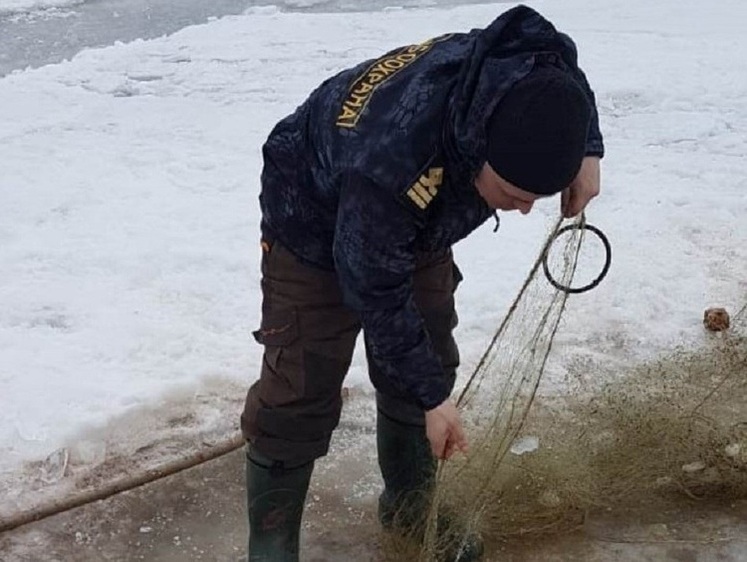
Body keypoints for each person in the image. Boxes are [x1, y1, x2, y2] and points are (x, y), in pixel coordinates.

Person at [240, 4, 604, 561]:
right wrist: (434, 399)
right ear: (479, 149)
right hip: (312, 216)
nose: (526, 210)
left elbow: (555, 54)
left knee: (427, 342)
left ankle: (408, 506)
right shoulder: (389, 162)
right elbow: (376, 286)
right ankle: (272, 541)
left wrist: (586, 150)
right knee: (300, 385)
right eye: (513, 196)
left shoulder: (523, 70)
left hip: (419, 214)